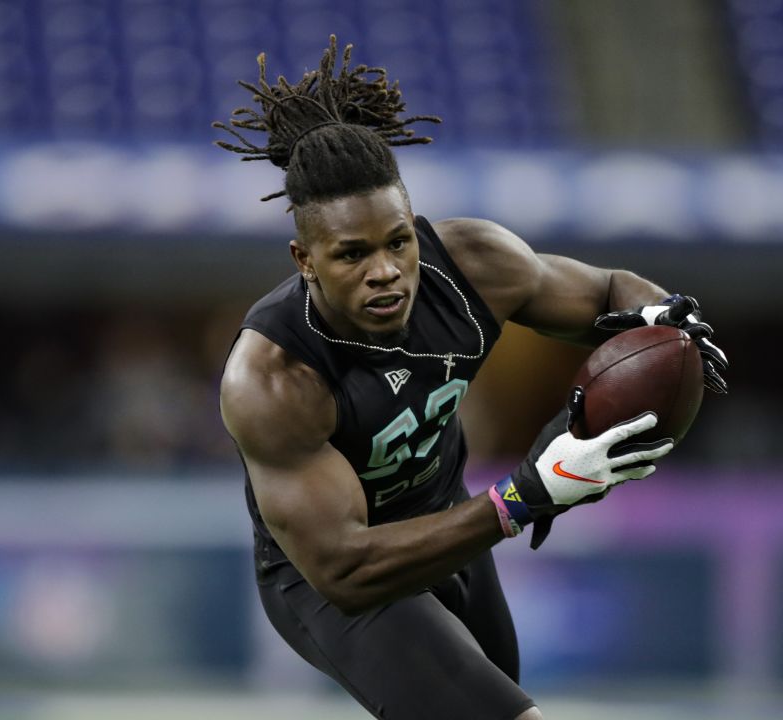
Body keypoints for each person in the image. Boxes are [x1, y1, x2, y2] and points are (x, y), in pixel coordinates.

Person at [216, 37, 728, 720]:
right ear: (304, 260)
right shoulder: (273, 376)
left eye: (398, 241)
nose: (387, 270)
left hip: (446, 524)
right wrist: (524, 497)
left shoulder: (472, 263)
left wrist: (662, 322)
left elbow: (609, 289)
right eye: (352, 254)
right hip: (337, 580)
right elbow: (344, 566)